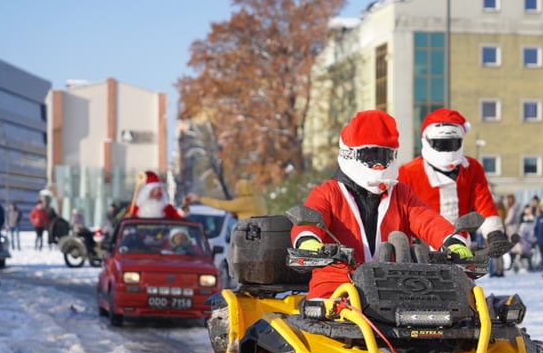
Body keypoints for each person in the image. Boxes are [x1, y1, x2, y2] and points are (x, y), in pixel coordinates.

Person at [291, 110, 472, 299]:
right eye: (370, 156)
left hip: (394, 290)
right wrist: (309, 241)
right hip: (336, 290)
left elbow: (427, 220)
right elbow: (310, 218)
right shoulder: (329, 193)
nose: (379, 165)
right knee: (332, 320)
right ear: (349, 154)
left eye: (384, 156)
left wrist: (452, 240)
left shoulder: (401, 194)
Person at [397, 108, 511, 259]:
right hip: (420, 250)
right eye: (440, 144)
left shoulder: (471, 169)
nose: (447, 150)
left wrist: (494, 233)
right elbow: (399, 212)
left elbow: (483, 203)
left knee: (463, 282)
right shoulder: (408, 172)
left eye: (452, 144)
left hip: (462, 248)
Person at [184, 178, 266, 221]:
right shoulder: (259, 200)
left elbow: (221, 205)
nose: (236, 191)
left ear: (243, 189)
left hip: (250, 234)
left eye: (238, 189)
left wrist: (199, 199)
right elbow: (252, 215)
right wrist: (237, 216)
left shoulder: (243, 202)